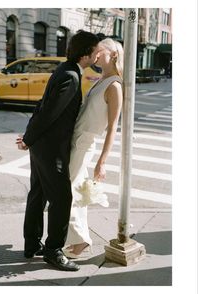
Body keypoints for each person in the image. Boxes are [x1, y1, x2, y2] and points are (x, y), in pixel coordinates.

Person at [16, 31, 100, 271]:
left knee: (38, 194)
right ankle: (53, 250)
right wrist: (28, 139)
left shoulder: (66, 69)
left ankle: (32, 244)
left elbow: (42, 107)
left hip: (42, 146)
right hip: (51, 149)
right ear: (86, 54)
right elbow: (48, 113)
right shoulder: (71, 77)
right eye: (95, 52)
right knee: (62, 199)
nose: (96, 56)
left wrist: (30, 138)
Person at [63, 38, 124, 258]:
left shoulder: (115, 85)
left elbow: (112, 127)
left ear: (114, 55)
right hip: (77, 139)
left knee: (69, 191)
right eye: (94, 51)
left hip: (85, 142)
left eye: (100, 51)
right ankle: (78, 238)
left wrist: (103, 161)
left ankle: (81, 240)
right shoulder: (101, 79)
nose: (95, 55)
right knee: (76, 191)